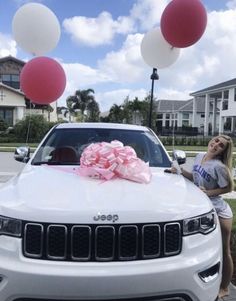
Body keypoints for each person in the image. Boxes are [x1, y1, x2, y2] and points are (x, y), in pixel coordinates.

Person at [171, 135, 234, 299]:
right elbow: (194, 177)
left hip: (219, 211)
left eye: (220, 145)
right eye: (216, 140)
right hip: (202, 208)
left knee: (224, 250)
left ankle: (225, 288)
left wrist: (209, 192)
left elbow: (228, 187)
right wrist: (179, 171)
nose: (216, 144)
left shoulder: (219, 167)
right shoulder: (200, 157)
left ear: (222, 151)